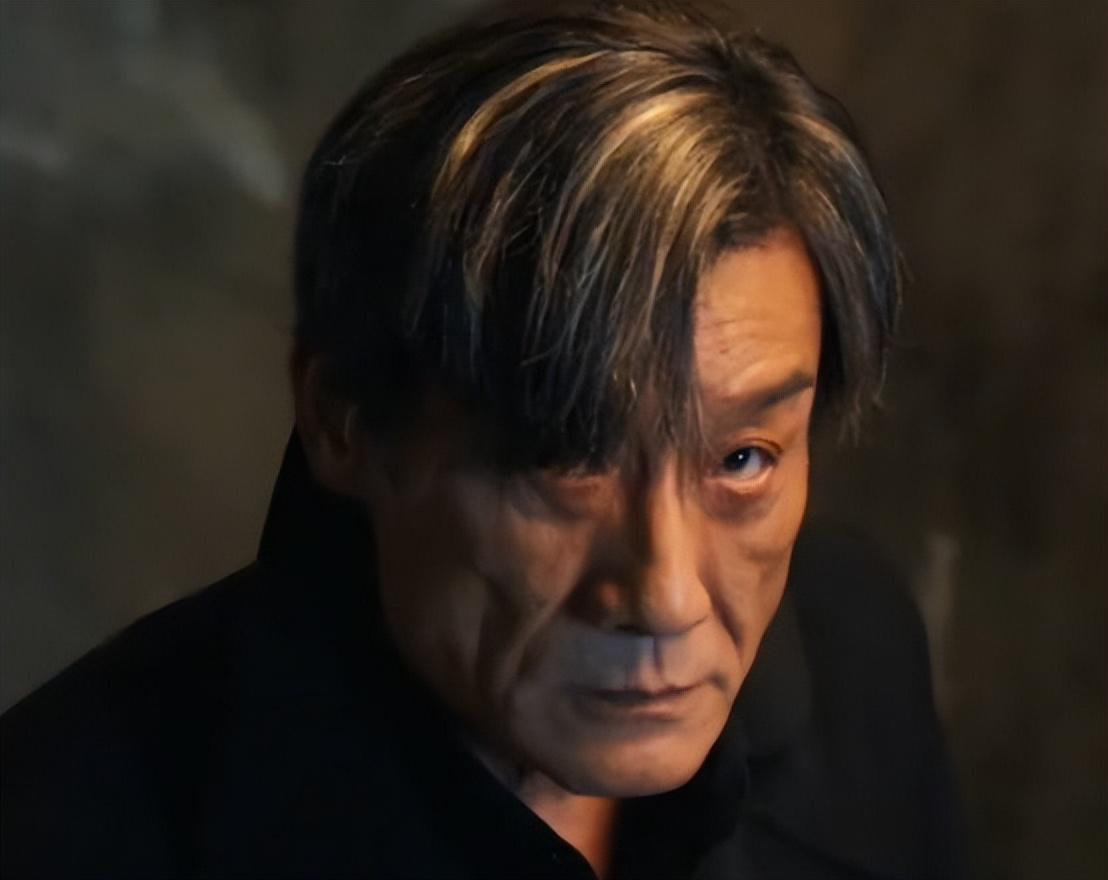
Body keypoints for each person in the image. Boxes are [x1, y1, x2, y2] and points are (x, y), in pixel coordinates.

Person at [0, 2, 966, 877]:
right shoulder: (61, 828)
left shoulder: (855, 657)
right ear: (345, 420)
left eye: (742, 459)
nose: (665, 597)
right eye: (565, 457)